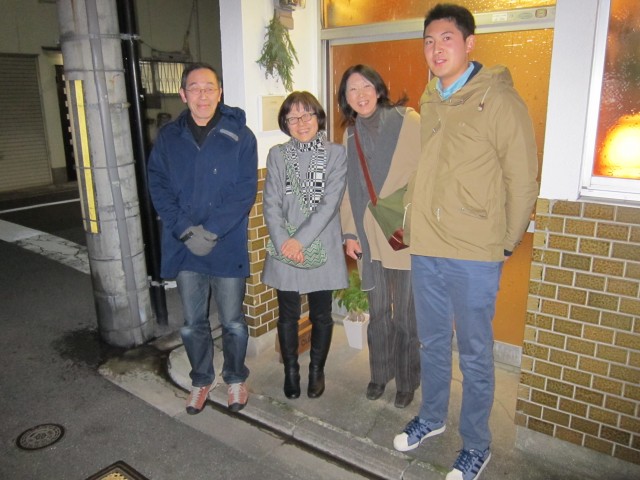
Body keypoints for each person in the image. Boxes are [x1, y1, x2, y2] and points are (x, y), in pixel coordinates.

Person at [393, 5, 538, 480]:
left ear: (470, 43)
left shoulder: (499, 100)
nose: (436, 49)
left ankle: (476, 444)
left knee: (475, 352)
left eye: (446, 39)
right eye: (428, 41)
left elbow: (522, 179)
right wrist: (410, 218)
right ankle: (433, 417)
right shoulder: (431, 98)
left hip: (475, 252)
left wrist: (506, 242)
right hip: (428, 246)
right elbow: (428, 171)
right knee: (433, 341)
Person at [148, 63, 258, 415]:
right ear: (183, 94)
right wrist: (184, 230)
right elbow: (158, 185)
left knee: (233, 321)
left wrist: (211, 231)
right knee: (193, 323)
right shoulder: (169, 137)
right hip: (185, 246)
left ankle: (236, 377)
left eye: (209, 87)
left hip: (225, 243)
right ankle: (201, 379)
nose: (203, 95)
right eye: (194, 88)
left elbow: (245, 190)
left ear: (220, 92)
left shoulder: (240, 134)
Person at [337, 65, 421, 409]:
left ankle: (407, 379)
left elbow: (430, 172)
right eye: (352, 89)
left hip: (402, 233)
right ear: (346, 98)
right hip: (369, 238)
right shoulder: (350, 135)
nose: (360, 94)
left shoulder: (408, 121)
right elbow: (348, 188)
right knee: (378, 313)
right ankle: (379, 374)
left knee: (405, 317)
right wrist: (349, 233)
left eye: (365, 86)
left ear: (378, 88)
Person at [262, 91, 348, 400]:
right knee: (287, 315)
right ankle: (291, 371)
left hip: (320, 244)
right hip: (284, 244)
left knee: (321, 315)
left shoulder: (336, 154)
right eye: (293, 118)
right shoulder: (277, 155)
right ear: (285, 123)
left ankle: (316, 371)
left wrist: (300, 240)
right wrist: (285, 242)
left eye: (307, 115)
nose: (301, 123)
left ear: (318, 117)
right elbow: (271, 203)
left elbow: (329, 204)